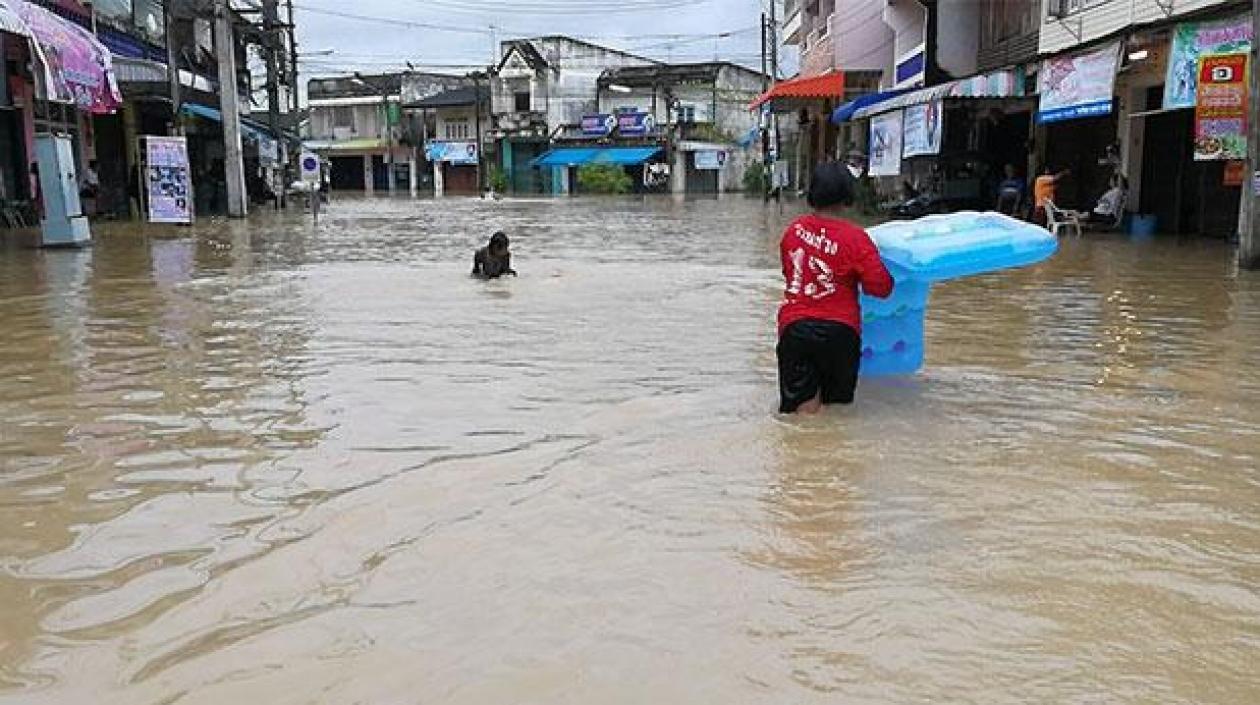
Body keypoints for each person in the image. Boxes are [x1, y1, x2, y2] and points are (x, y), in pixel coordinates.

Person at [777, 162, 894, 414]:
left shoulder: (793, 231)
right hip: (841, 333)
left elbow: (790, 274)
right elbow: (881, 288)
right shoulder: (857, 239)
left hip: (795, 330)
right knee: (836, 414)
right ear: (847, 195)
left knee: (801, 417)